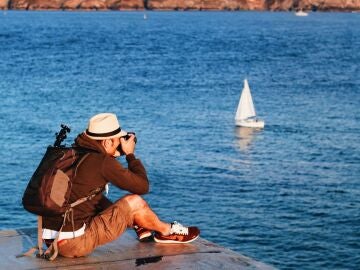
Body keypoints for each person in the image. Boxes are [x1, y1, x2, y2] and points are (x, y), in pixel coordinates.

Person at [42, 113, 200, 258]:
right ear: (107, 141)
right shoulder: (103, 163)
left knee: (94, 196)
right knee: (134, 202)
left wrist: (113, 153)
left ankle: (139, 224)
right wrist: (130, 155)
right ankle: (166, 232)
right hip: (74, 245)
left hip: (50, 240)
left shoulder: (70, 153)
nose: (120, 144)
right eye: (118, 140)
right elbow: (142, 186)